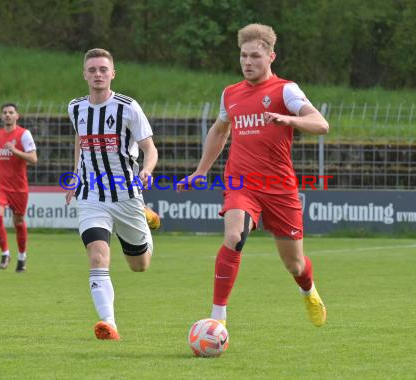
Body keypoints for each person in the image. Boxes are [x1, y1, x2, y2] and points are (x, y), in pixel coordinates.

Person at [181, 24, 329, 327]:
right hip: (241, 182)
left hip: (279, 186)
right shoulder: (230, 94)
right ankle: (217, 318)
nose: (248, 62)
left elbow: (321, 123)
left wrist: (288, 118)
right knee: (234, 236)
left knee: (295, 263)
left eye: (255, 57)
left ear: (271, 57)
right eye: (243, 56)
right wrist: (201, 170)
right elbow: (219, 130)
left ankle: (308, 290)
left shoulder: (285, 90)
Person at [65, 48, 160, 341]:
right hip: (90, 193)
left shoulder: (128, 107)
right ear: (84, 74)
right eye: (92, 69)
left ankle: (144, 216)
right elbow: (81, 142)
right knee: (97, 256)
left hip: (126, 192)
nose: (97, 74)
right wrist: (75, 176)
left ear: (112, 74)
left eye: (103, 69)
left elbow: (149, 148)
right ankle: (108, 323)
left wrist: (147, 169)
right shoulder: (75, 107)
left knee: (139, 265)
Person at [0, 103, 38, 273]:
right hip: (0, 184)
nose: (7, 115)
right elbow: (2, 155)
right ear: (1, 116)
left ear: (17, 116)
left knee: (19, 222)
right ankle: (5, 253)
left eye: (11, 112)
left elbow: (34, 159)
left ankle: (22, 257)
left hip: (18, 187)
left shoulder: (24, 134)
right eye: (5, 112)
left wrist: (14, 150)